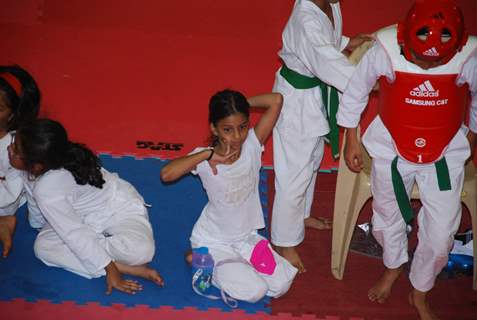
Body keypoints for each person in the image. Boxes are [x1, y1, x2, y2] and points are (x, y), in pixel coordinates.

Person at [336, 1, 477, 319]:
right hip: (391, 147)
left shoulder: (468, 56)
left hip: (444, 154)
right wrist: (351, 138)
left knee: (442, 235)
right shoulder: (385, 48)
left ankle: (420, 290)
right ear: (405, 40)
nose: (426, 68)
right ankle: (393, 266)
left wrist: (472, 135)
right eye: (417, 59)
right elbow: (356, 90)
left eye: (436, 61)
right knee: (386, 219)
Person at [161, 90, 298, 303]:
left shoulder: (252, 144)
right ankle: (201, 259)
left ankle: (238, 263)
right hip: (214, 241)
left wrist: (238, 105)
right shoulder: (205, 157)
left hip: (246, 238)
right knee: (256, 291)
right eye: (227, 129)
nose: (236, 136)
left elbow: (276, 100)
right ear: (214, 128)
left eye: (242, 127)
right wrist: (208, 155)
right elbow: (166, 174)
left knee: (280, 285)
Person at [271, 0, 373, 272]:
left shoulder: (329, 4)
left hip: (313, 97)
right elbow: (323, 57)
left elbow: (323, 43)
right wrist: (365, 80)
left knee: (312, 162)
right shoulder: (306, 19)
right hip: (296, 102)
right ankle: (284, 242)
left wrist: (346, 42)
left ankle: (301, 216)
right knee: (293, 174)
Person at [9, 118, 164, 295]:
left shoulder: (49, 186)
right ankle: (123, 267)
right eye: (14, 142)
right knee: (43, 247)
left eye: (16, 149)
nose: (10, 148)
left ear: (37, 165)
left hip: (116, 207)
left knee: (142, 251)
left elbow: (73, 232)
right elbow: (38, 212)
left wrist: (107, 267)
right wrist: (38, 222)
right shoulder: (47, 159)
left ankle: (106, 261)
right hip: (77, 216)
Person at [0, 65, 41, 258]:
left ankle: (5, 220)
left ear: (12, 114)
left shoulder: (15, 148)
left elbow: (11, 194)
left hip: (6, 197)